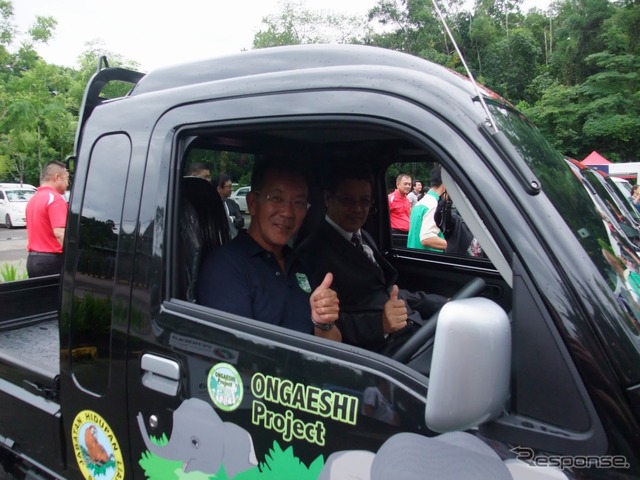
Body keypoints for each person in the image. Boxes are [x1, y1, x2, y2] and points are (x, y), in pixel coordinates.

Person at [296, 164, 447, 352]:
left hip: (409, 329)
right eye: (347, 200)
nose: (358, 209)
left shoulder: (363, 236)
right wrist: (380, 324)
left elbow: (388, 291)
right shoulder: (311, 253)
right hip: (380, 352)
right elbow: (324, 321)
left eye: (365, 201)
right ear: (328, 198)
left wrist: (442, 304)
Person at [196, 157, 341, 341]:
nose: (287, 212)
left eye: (298, 203)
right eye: (276, 198)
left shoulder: (299, 264)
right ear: (253, 204)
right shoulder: (224, 268)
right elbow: (237, 352)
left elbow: (334, 347)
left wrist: (323, 322)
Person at [25, 161, 70, 277]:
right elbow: (60, 233)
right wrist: (74, 256)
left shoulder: (33, 199)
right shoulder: (55, 199)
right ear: (57, 177)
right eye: (66, 179)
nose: (67, 184)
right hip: (51, 261)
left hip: (33, 260)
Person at [407, 165, 447, 252]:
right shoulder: (434, 205)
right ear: (445, 183)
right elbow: (427, 238)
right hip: (430, 258)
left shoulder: (421, 202)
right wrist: (452, 245)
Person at [216, 173, 244, 238]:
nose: (231, 189)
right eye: (229, 186)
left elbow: (241, 221)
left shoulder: (232, 203)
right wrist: (231, 219)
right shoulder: (212, 205)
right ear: (219, 189)